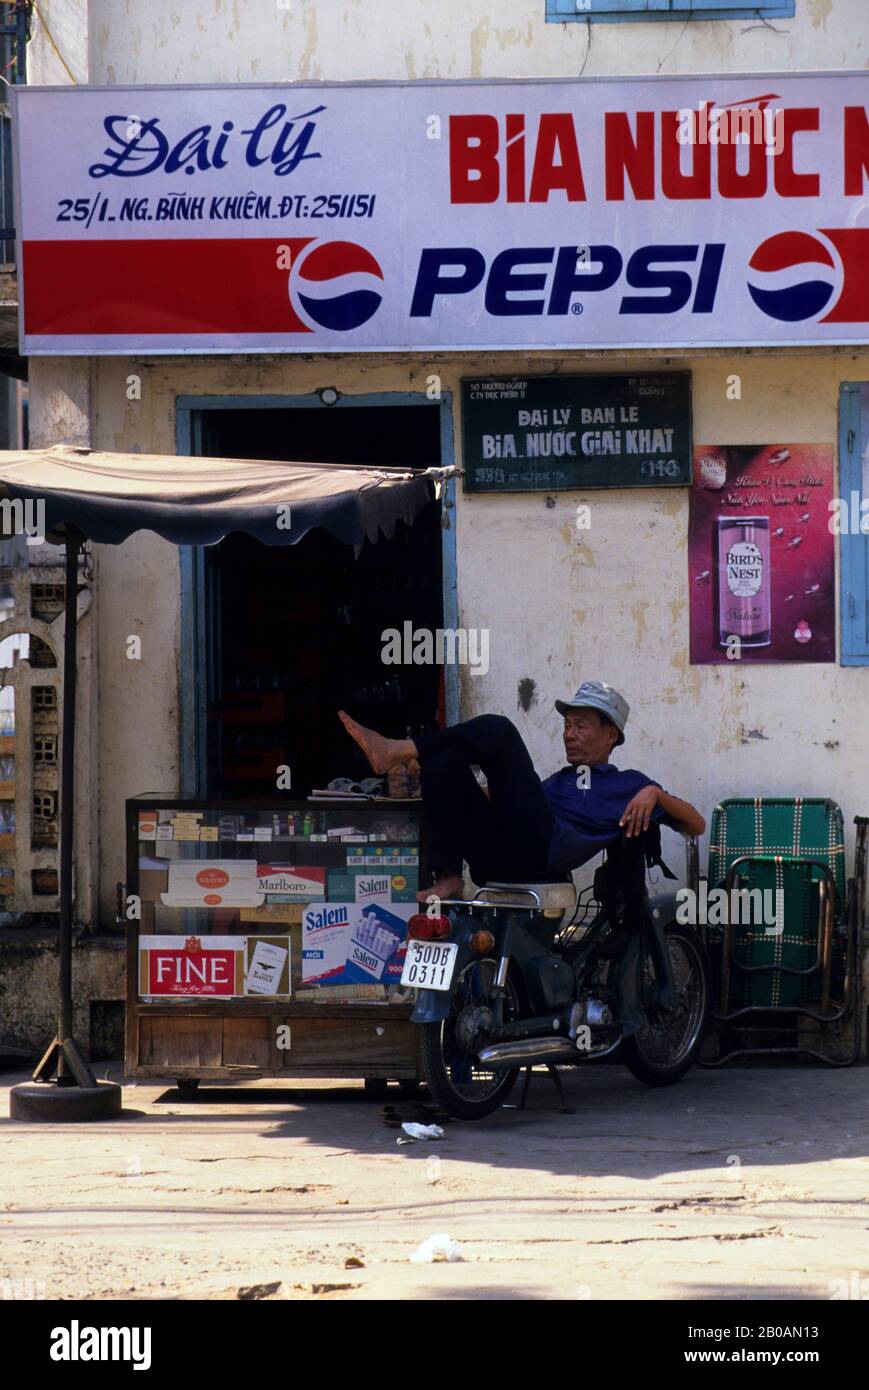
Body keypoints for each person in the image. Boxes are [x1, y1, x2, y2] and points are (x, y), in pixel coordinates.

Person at [338, 680, 705, 904]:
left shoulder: (629, 784)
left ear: (611, 735)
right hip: (499, 858)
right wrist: (449, 790)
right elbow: (506, 806)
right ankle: (449, 874)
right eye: (566, 725)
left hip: (541, 854)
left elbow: (696, 824)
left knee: (499, 730)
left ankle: (397, 748)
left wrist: (655, 793)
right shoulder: (560, 781)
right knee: (445, 760)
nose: (569, 734)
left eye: (581, 726)